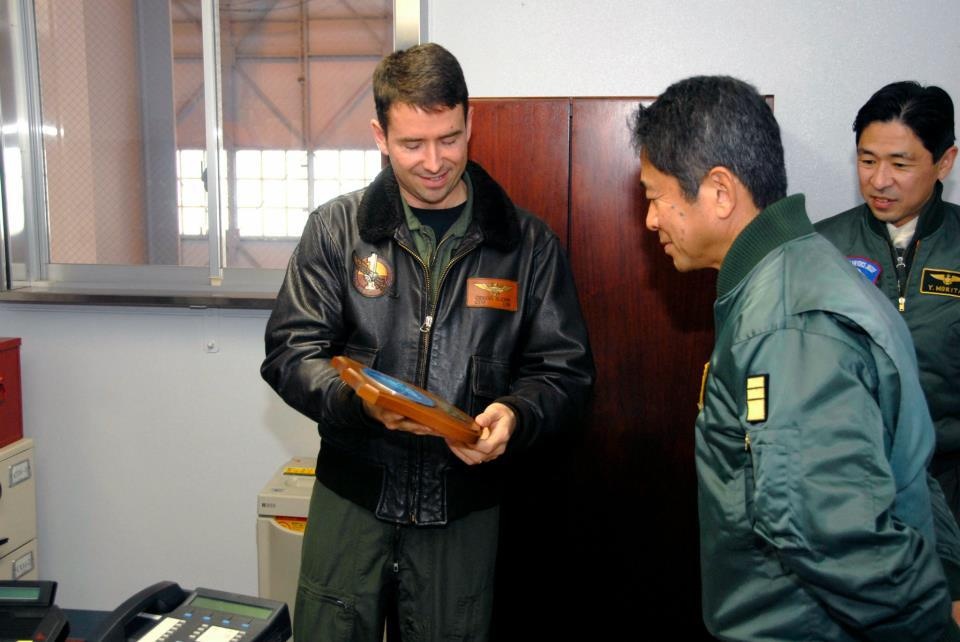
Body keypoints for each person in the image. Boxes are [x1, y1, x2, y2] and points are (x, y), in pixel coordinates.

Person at [260, 42, 594, 641]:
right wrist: (358, 402)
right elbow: (290, 353)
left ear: (471, 124)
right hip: (352, 498)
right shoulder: (337, 231)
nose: (435, 161)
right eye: (413, 144)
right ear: (380, 136)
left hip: (462, 511)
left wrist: (516, 416)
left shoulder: (526, 245)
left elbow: (565, 374)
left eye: (450, 138)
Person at [632, 74, 957, 640]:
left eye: (656, 197)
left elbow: (827, 535)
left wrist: (933, 626)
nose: (650, 220)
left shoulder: (786, 324)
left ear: (720, 191)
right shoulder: (804, 268)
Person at [816, 82, 960, 526]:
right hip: (847, 488)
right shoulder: (818, 247)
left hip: (952, 484)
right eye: (867, 160)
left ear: (944, 162)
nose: (879, 180)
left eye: (900, 163)